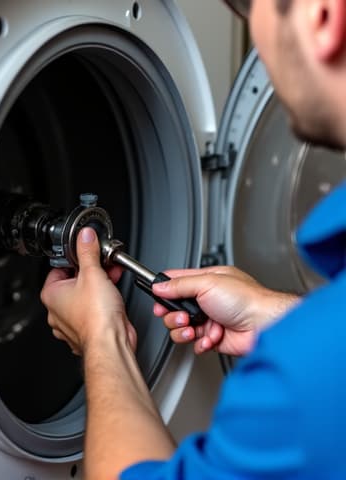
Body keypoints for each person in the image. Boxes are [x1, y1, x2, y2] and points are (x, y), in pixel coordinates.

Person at [40, 0, 346, 478]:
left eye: (253, 14)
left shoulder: (301, 386)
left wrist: (102, 338)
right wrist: (281, 319)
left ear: (322, 16)